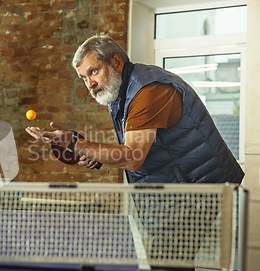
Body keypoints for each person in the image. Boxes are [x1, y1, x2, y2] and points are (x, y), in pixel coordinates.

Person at [26, 34, 244, 184]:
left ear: (117, 62)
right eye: (84, 78)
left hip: (204, 191)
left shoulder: (148, 92)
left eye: (93, 72)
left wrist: (74, 143)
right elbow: (136, 150)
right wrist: (92, 153)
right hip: (180, 191)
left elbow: (132, 157)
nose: (90, 84)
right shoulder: (121, 93)